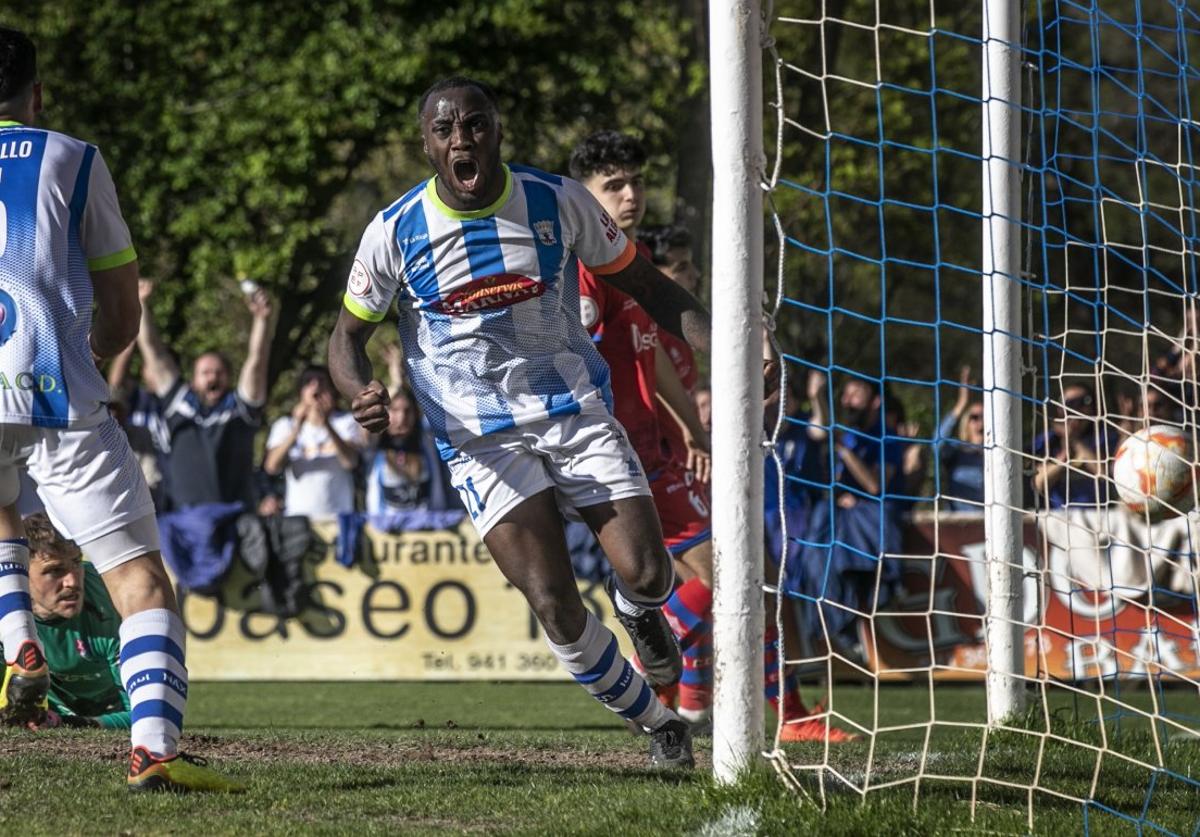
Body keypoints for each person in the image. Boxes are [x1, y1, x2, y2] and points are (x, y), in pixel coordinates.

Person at [329, 78, 717, 768]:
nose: (461, 140)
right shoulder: (394, 230)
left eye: (475, 126)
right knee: (553, 600)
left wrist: (733, 345)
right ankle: (661, 723)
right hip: (479, 440)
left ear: (496, 131)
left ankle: (636, 608)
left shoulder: (556, 201)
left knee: (652, 573)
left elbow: (649, 287)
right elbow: (345, 339)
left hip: (573, 412)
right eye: (445, 131)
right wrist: (360, 390)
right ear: (426, 145)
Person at [0, 28, 239, 791]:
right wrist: (100, 347)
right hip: (55, 389)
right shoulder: (70, 155)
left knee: (2, 507)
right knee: (139, 577)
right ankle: (154, 748)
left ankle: (16, 644)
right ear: (36, 98)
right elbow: (120, 302)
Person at [571, 131, 854, 742]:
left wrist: (696, 433)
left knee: (748, 568)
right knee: (738, 569)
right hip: (624, 456)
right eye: (613, 185)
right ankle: (678, 674)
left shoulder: (631, 260)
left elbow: (656, 360)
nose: (630, 194)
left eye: (636, 182)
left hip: (661, 450)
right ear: (582, 196)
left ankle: (686, 692)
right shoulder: (585, 271)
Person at [136, 278, 274, 511]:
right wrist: (140, 303)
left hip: (236, 519)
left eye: (218, 373)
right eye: (205, 373)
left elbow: (256, 361)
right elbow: (153, 351)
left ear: (229, 377)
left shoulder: (240, 409)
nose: (212, 378)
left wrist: (262, 319)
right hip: (186, 520)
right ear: (194, 379)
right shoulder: (179, 403)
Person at [0, 514, 130, 728]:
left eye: (77, 563)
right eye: (55, 570)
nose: (72, 581)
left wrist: (71, 724)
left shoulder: (109, 598)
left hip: (107, 713)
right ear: (19, 573)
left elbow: (147, 717)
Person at [264, 365, 367, 522]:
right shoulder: (285, 425)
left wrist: (326, 423)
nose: (315, 386)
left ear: (332, 389)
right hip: (297, 519)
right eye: (308, 382)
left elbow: (350, 462)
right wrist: (296, 429)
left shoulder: (346, 422)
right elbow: (271, 466)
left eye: (321, 381)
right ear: (300, 392)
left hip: (338, 518)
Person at [365, 387, 455, 514]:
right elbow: (366, 428)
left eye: (408, 411)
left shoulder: (427, 442)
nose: (402, 418)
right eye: (395, 410)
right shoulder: (376, 447)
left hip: (430, 528)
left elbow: (435, 413)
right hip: (387, 530)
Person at [1031, 382, 1115, 508]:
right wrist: (1063, 460)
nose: (1076, 411)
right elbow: (1039, 483)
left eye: (1084, 402)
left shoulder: (1104, 436)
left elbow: (1104, 473)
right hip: (1061, 518)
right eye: (1070, 404)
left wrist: (1074, 441)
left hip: (1099, 516)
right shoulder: (1048, 440)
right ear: (1060, 409)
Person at [937, 365, 985, 510]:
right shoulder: (957, 449)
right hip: (961, 521)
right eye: (974, 417)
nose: (980, 421)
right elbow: (937, 444)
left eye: (984, 416)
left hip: (993, 523)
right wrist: (961, 404)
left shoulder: (999, 452)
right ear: (966, 422)